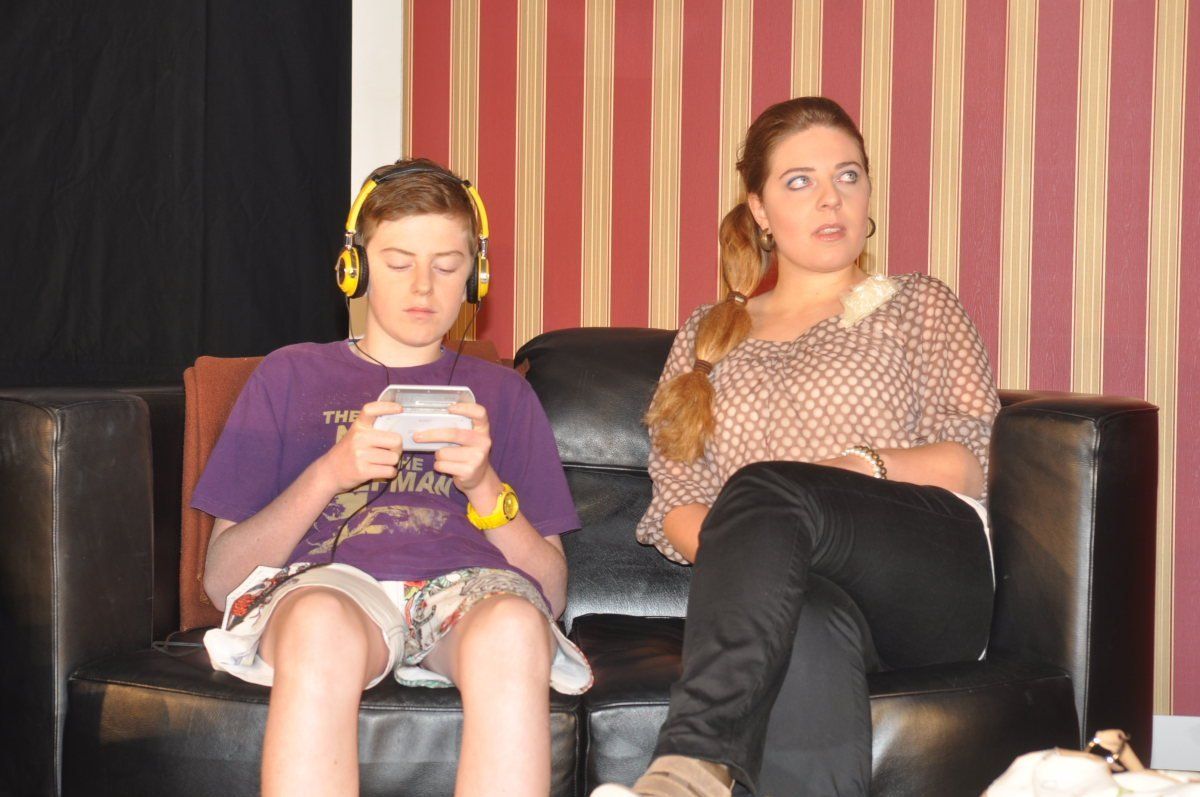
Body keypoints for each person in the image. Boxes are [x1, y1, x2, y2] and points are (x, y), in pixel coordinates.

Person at [593, 97, 999, 797]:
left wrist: (858, 467)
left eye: (848, 175)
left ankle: (690, 765)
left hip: (926, 578)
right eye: (800, 181)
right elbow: (677, 500)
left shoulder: (918, 303)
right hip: (794, 592)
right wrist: (763, 559)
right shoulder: (706, 335)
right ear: (759, 208)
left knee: (766, 486)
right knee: (801, 615)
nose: (831, 198)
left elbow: (976, 456)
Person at [192, 158, 591, 797]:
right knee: (320, 624)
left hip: (470, 591)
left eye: (448, 266)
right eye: (400, 263)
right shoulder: (288, 375)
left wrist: (485, 488)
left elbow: (551, 589)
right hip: (328, 587)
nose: (423, 287)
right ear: (355, 268)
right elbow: (220, 580)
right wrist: (330, 473)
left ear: (476, 276)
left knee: (516, 629)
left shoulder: (505, 395)